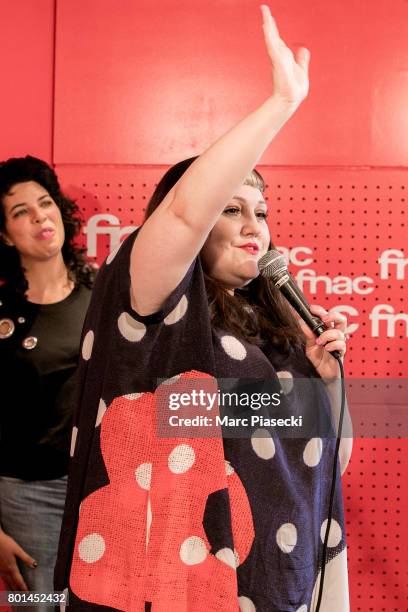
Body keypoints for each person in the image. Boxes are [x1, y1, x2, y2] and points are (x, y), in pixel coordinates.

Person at [55, 6, 352, 611]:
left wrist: (324, 386)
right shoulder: (149, 297)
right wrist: (281, 104)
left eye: (261, 213)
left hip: (277, 584)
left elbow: (327, 461)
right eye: (232, 208)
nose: (253, 228)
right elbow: (187, 214)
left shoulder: (281, 329)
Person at [0, 156, 94, 610]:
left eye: (45, 203)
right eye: (21, 212)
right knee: (42, 607)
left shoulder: (102, 297)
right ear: (4, 235)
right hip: (28, 496)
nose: (40, 215)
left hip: (101, 489)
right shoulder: (1, 313)